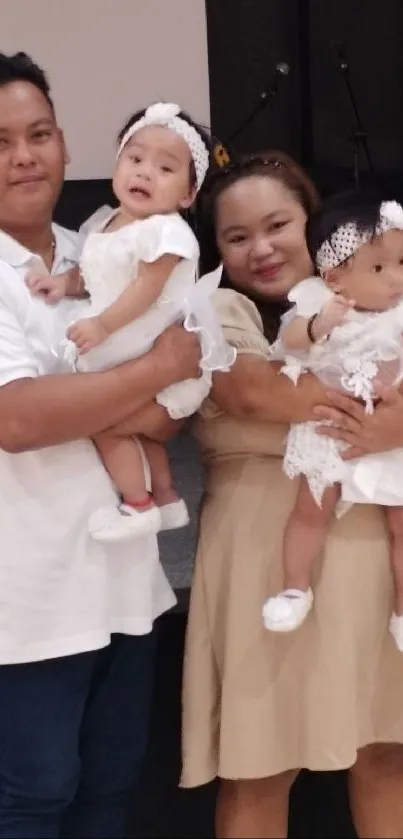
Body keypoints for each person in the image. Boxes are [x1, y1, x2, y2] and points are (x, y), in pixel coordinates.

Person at [0, 51, 201, 839]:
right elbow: (17, 418)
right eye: (1, 139)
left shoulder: (104, 247)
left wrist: (141, 390)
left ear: (67, 143)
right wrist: (152, 372)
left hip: (127, 586)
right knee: (32, 799)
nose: (24, 155)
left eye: (39, 133)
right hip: (29, 602)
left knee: (112, 793)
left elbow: (175, 412)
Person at [181, 152, 403, 839]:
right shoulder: (210, 306)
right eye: (236, 235)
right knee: (258, 765)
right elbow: (254, 390)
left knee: (385, 751)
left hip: (367, 547)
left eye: (278, 224)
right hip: (258, 560)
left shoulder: (377, 305)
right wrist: (382, 411)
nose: (262, 247)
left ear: (317, 227)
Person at [28, 101, 234, 544]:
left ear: (187, 195)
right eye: (135, 159)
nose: (144, 173)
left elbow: (144, 289)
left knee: (100, 419)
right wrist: (63, 284)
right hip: (124, 336)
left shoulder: (167, 231)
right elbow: (93, 272)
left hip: (143, 336)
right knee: (136, 428)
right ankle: (164, 497)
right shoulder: (104, 222)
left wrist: (102, 325)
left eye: (164, 167)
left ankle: (136, 504)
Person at [262, 192, 403, 644]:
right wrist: (320, 325)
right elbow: (289, 342)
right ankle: (293, 587)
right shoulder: (319, 306)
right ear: (335, 277)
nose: (396, 278)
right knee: (310, 509)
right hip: (331, 427)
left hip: (393, 431)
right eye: (379, 268)